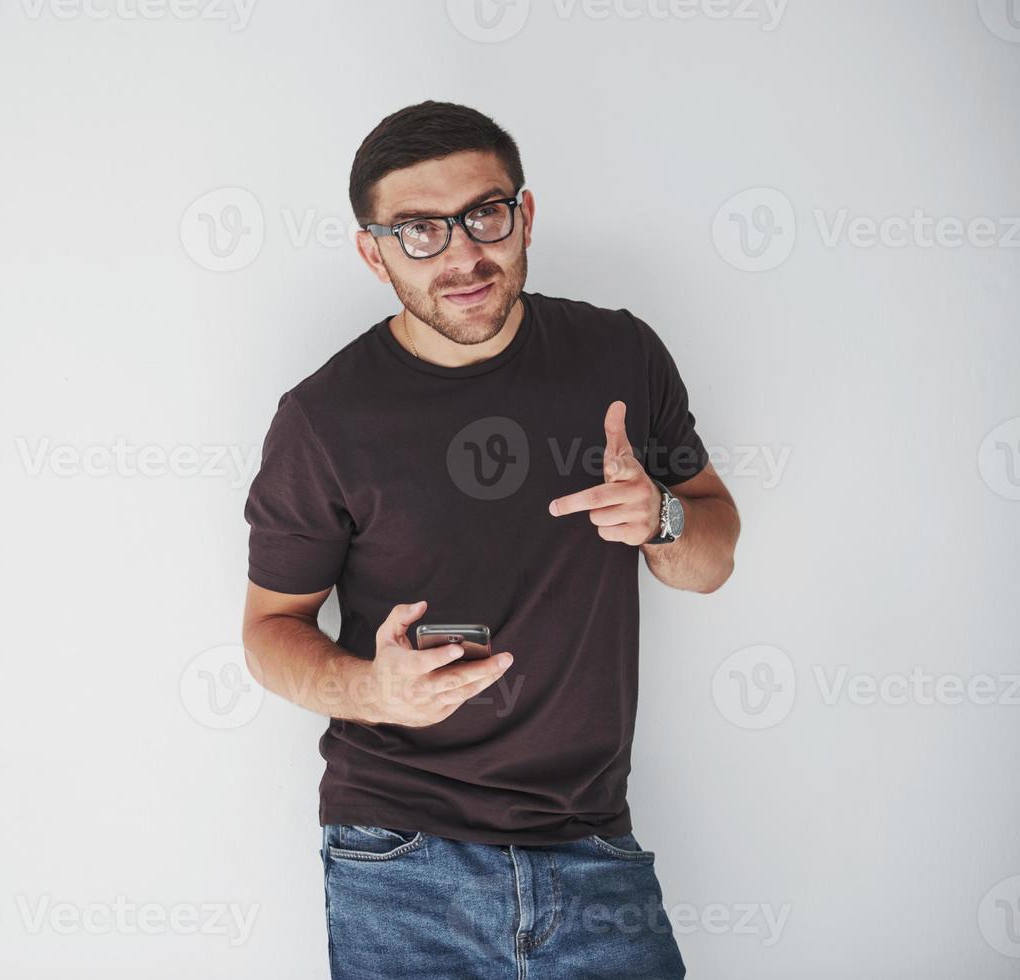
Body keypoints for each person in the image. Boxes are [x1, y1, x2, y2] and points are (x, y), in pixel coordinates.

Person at [240, 100, 740, 978]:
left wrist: (660, 516)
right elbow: (268, 633)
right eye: (418, 231)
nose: (463, 254)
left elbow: (710, 558)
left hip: (593, 848)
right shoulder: (322, 420)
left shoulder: (618, 354)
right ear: (373, 252)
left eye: (484, 214)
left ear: (524, 216)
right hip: (397, 857)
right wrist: (370, 688)